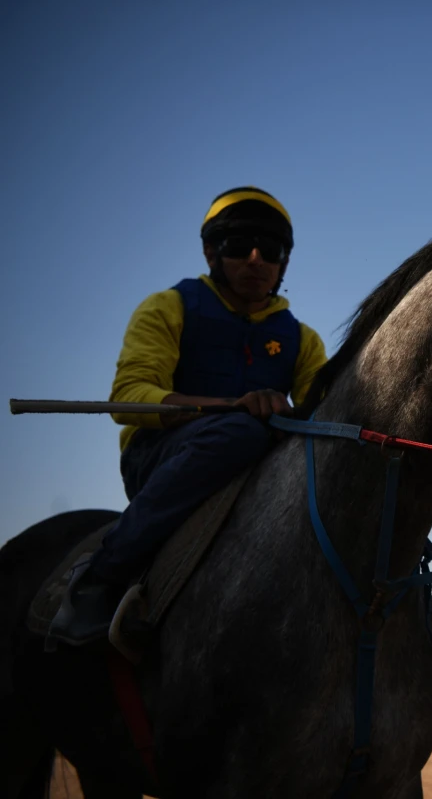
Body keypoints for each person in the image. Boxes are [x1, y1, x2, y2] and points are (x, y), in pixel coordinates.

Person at [48, 187, 327, 646]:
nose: (256, 259)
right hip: (158, 458)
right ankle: (100, 577)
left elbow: (322, 415)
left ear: (283, 263)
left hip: (256, 468)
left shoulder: (303, 340)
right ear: (211, 252)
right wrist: (231, 407)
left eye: (271, 250)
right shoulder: (168, 307)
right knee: (241, 432)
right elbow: (128, 397)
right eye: (240, 247)